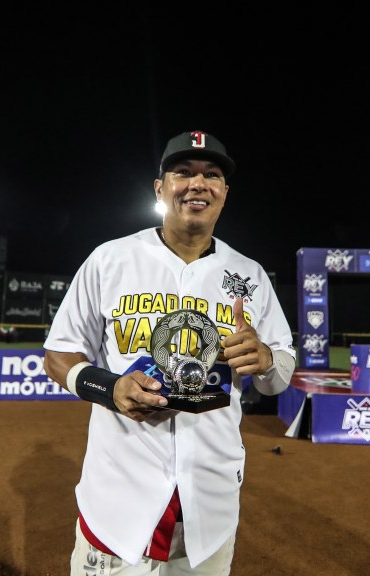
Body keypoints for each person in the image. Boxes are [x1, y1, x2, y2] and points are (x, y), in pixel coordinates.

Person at [43, 130, 295, 574]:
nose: (198, 183)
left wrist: (267, 359)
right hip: (119, 496)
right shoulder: (111, 259)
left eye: (212, 175)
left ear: (224, 193)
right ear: (160, 188)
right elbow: (58, 355)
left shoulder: (249, 274)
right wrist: (110, 387)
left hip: (211, 500)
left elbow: (281, 370)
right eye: (183, 172)